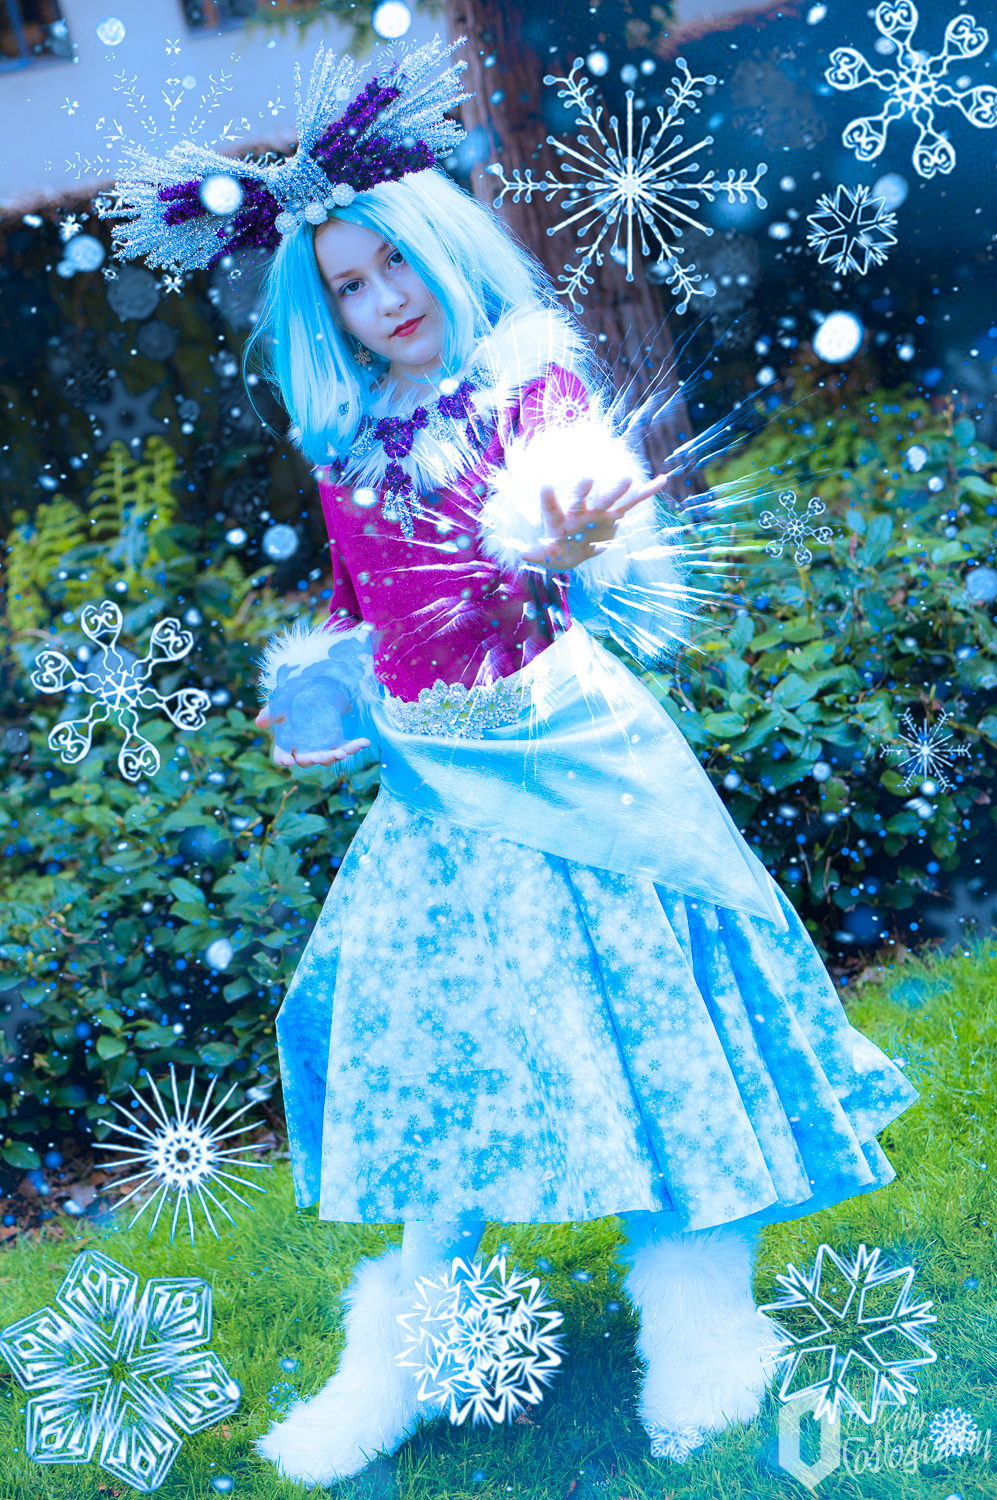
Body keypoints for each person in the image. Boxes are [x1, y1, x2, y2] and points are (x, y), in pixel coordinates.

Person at [103, 34, 918, 1488]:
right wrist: (324, 690)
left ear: (442, 246)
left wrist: (570, 527)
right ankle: (406, 1356)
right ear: (325, 316)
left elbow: (580, 516)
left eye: (394, 265)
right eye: (349, 289)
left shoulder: (528, 382)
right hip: (436, 795)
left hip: (571, 757)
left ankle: (706, 1337)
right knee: (439, 1056)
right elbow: (366, 614)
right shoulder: (348, 445)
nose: (385, 301)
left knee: (654, 1030)